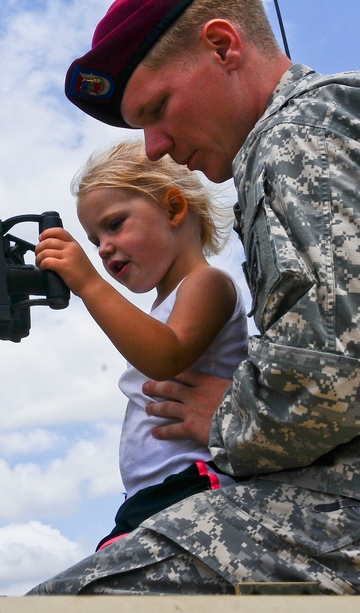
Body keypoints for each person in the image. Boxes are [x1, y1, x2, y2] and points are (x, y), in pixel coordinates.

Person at [30, 0, 360, 595]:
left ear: (222, 46)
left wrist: (227, 415)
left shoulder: (302, 135)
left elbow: (336, 382)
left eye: (158, 109)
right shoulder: (348, 112)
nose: (154, 145)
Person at [36, 139, 248, 551]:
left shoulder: (208, 283)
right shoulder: (164, 305)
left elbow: (165, 357)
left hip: (195, 484)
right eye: (95, 240)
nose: (104, 248)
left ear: (173, 208)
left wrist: (88, 283)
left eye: (114, 225)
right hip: (151, 495)